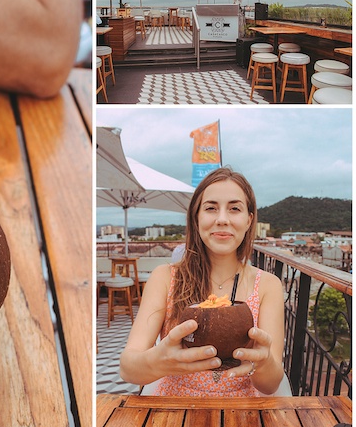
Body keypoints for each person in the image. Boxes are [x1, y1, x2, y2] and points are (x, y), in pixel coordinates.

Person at [120, 167, 285, 397]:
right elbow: (128, 368)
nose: (222, 219)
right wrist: (159, 360)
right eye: (210, 208)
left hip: (241, 414)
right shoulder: (165, 277)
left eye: (234, 209)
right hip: (175, 412)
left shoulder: (268, 285)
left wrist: (264, 362)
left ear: (249, 221)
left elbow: (270, 385)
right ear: (196, 217)